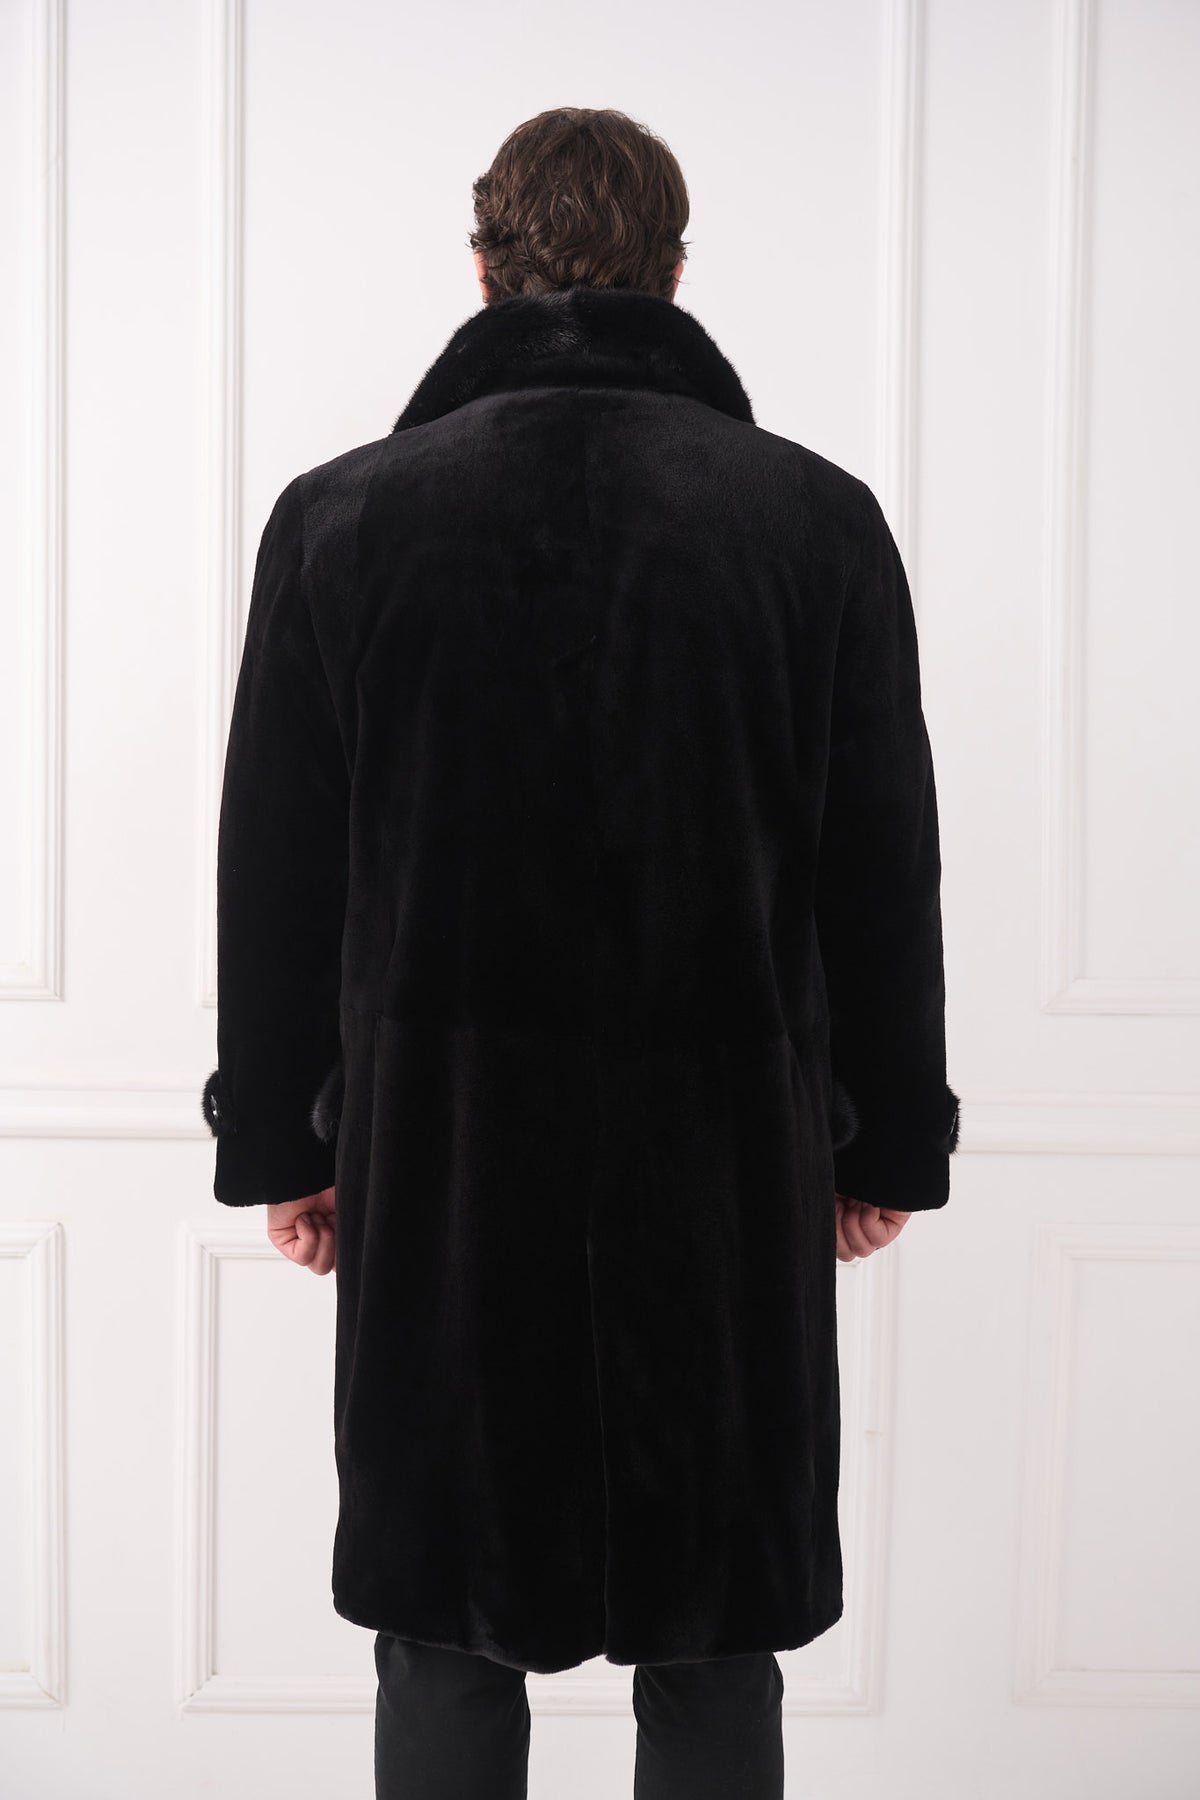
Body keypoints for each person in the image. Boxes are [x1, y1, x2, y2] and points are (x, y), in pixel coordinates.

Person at [201, 106, 959, 1799]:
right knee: (716, 1636)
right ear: (674, 275)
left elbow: (276, 872)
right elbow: (882, 872)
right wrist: (885, 1144)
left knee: (446, 1628)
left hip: (445, 1163)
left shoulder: (341, 519)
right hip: (725, 1171)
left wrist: (286, 1146)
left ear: (482, 270)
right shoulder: (813, 522)